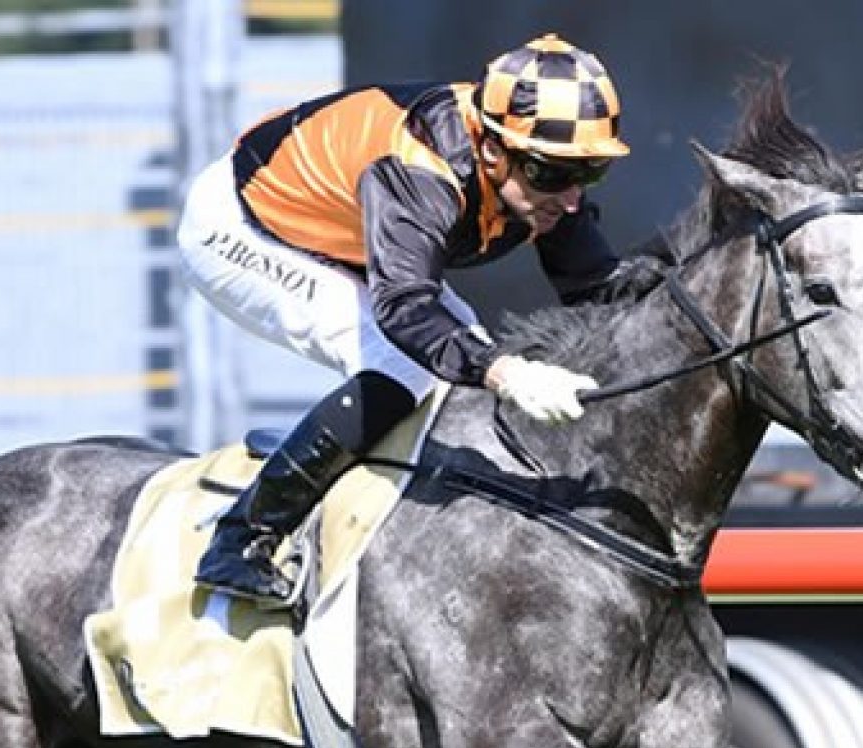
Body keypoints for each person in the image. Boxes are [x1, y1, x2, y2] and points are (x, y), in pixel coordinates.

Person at [176, 32, 633, 604]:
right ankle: (244, 536)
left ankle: (348, 460)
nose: (570, 199)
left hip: (338, 228)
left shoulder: (530, 163)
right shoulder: (420, 172)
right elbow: (405, 309)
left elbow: (599, 290)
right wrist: (506, 373)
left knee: (459, 354)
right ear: (492, 149)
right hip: (242, 227)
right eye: (552, 174)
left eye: (589, 172)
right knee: (410, 363)